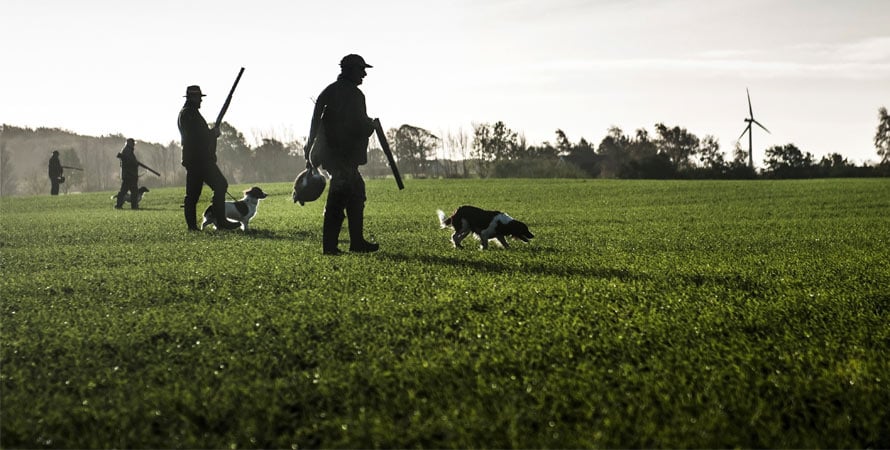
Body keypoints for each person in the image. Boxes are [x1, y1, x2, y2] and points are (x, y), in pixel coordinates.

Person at [305, 54, 379, 255]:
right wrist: (370, 126)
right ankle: (330, 248)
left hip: (331, 155)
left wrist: (308, 148)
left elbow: (314, 124)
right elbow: (356, 125)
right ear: (350, 70)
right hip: (342, 156)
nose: (364, 73)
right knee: (337, 200)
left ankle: (357, 243)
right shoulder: (354, 95)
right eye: (361, 69)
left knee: (356, 194)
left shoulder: (328, 91)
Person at [177, 85, 240, 231]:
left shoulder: (189, 113)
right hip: (199, 160)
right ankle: (220, 221)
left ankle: (198, 226)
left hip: (197, 159)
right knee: (218, 185)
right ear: (192, 98)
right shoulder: (188, 114)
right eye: (199, 98)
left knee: (195, 194)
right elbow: (195, 136)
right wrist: (213, 133)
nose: (200, 101)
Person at [115, 138, 140, 209]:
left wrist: (135, 163)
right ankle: (133, 206)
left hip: (128, 175)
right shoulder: (127, 151)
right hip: (130, 175)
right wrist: (135, 164)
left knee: (124, 191)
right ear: (130, 144)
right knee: (133, 191)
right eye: (133, 143)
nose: (134, 145)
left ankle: (119, 205)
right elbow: (128, 163)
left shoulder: (127, 151)